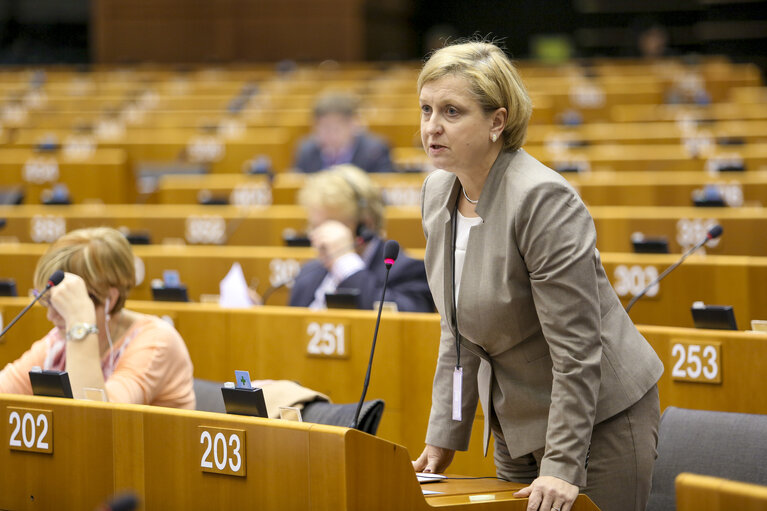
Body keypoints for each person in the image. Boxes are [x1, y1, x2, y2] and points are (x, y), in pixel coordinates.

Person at [411, 41, 664, 511]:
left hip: (598, 421)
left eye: (451, 111)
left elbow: (577, 347)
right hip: (516, 418)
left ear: (497, 121)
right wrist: (444, 434)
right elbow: (457, 331)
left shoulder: (542, 199)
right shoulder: (437, 193)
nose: (432, 127)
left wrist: (564, 464)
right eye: (426, 110)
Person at [0, 227, 195, 409]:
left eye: (62, 304)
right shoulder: (59, 342)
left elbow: (98, 421)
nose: (51, 316)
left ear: (109, 298)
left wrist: (79, 322)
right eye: (46, 301)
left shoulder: (157, 341)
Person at [288, 164, 433, 312]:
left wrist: (347, 265)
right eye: (314, 227)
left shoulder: (405, 271)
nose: (317, 238)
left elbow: (406, 323)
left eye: (328, 227)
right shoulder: (309, 271)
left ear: (365, 226)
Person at [293, 92, 395, 173]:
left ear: (353, 124)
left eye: (335, 129)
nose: (329, 135)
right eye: (323, 128)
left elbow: (381, 190)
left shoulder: (375, 151)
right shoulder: (306, 150)